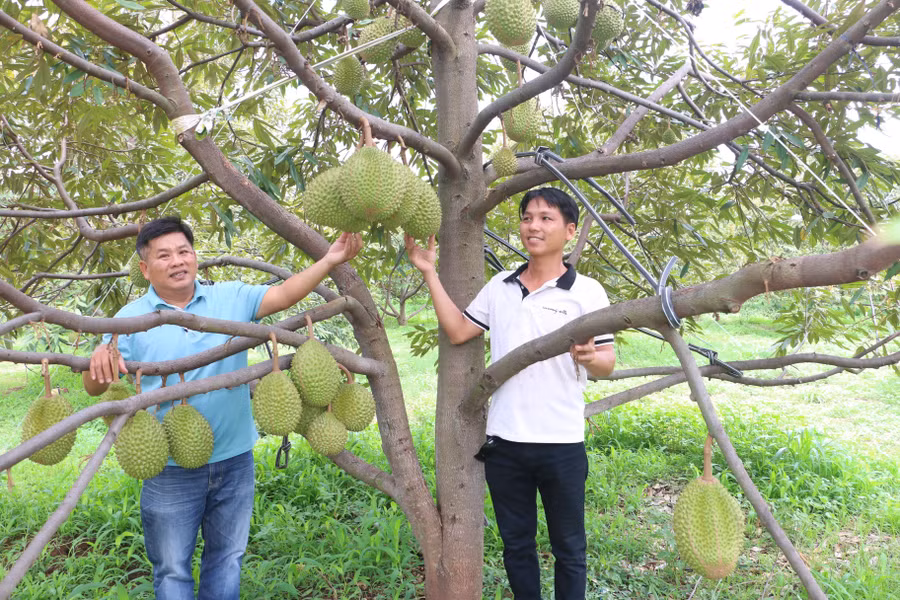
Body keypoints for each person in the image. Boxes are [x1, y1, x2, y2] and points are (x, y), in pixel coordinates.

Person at [82, 216, 362, 600]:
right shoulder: (127, 320)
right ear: (145, 269)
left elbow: (282, 295)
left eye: (184, 251)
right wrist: (101, 356)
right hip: (168, 469)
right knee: (172, 569)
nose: (177, 261)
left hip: (234, 459)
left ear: (195, 257)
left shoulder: (229, 297)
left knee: (227, 558)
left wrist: (329, 260)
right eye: (164, 255)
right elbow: (95, 385)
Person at [405, 187, 616, 599]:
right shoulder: (500, 286)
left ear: (569, 231)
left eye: (545, 218)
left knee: (569, 548)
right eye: (527, 217)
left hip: (561, 442)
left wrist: (590, 356)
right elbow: (459, 330)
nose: (533, 226)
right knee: (517, 547)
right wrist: (429, 272)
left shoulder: (587, 292)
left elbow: (608, 362)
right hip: (506, 443)